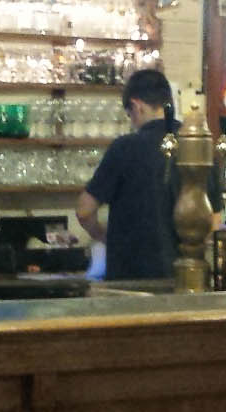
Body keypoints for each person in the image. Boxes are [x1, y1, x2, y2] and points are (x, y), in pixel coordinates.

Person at [76, 69, 179, 281]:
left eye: (129, 115)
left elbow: (84, 211)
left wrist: (104, 236)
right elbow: (214, 221)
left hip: (131, 278)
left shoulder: (125, 147)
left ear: (136, 106)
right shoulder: (199, 144)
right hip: (186, 278)